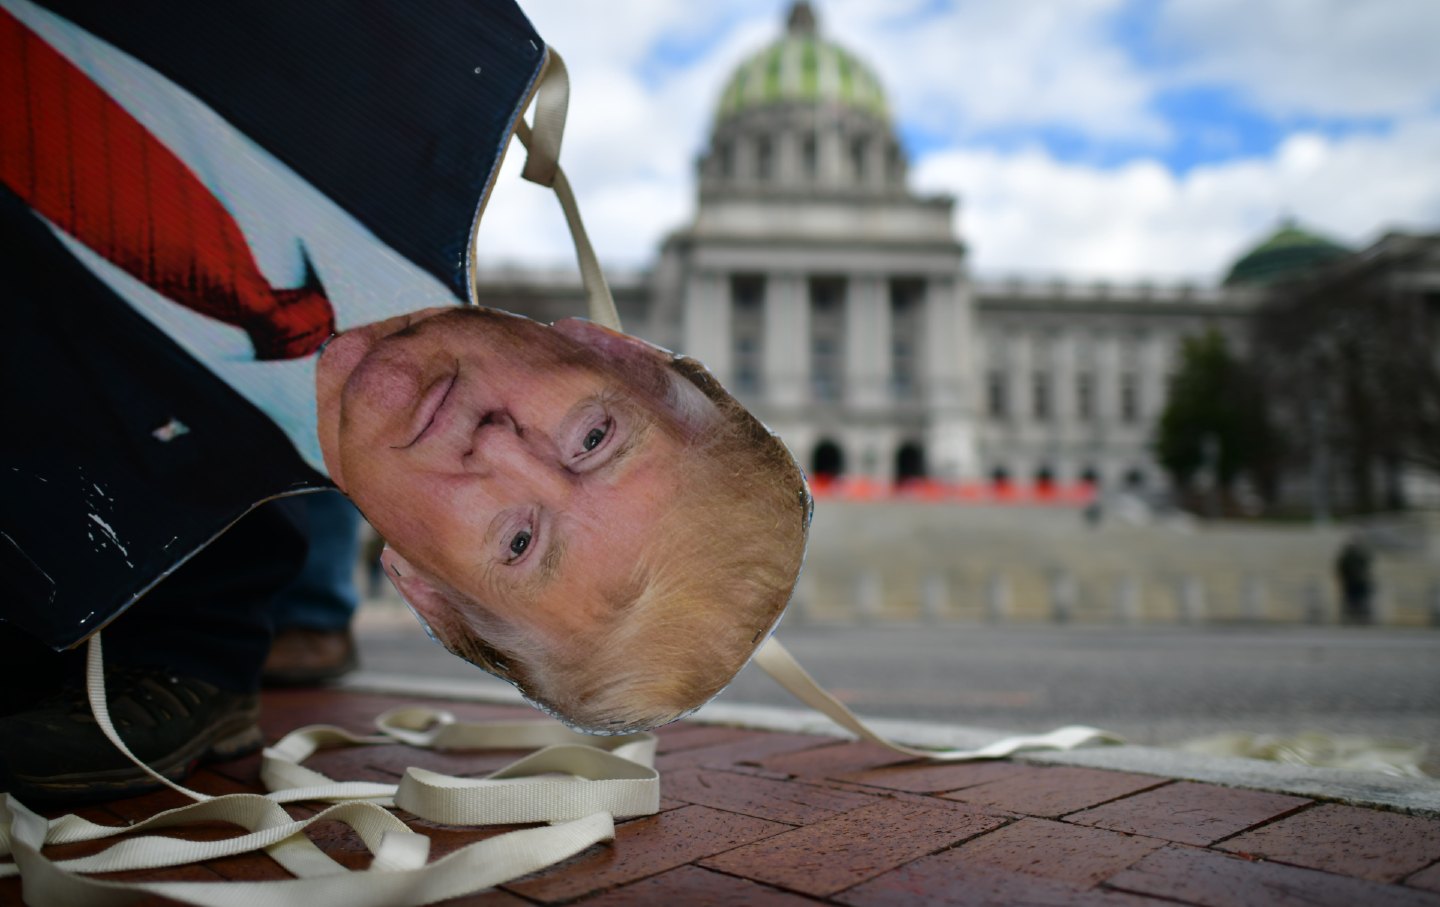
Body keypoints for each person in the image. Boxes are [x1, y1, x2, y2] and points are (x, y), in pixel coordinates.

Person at [0, 0, 810, 802]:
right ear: (613, 347)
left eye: (520, 539)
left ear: (421, 587)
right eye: (593, 436)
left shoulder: (47, 542)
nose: (498, 445)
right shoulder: (414, 53)